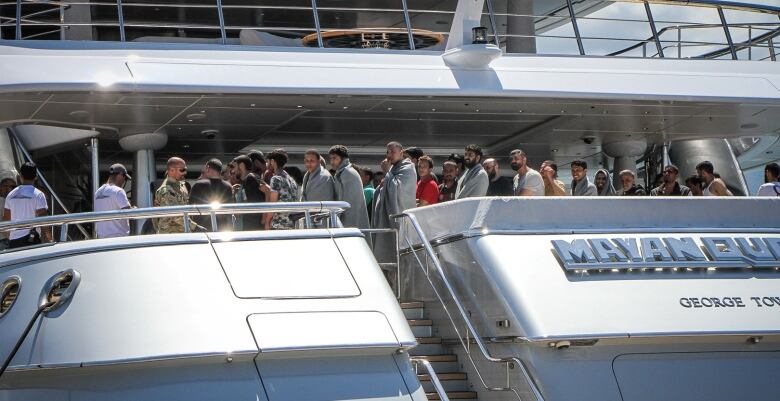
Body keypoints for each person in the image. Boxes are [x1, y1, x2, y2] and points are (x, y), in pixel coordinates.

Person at [373, 141, 416, 261]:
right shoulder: (392, 169)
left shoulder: (408, 168)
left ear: (401, 153)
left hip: (398, 221)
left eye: (393, 151)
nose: (389, 155)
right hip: (385, 219)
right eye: (387, 152)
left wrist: (387, 173)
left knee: (397, 256)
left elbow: (399, 190)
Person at [2, 162, 51, 248]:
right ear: (35, 176)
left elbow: (6, 219)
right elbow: (43, 221)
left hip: (14, 242)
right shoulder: (38, 195)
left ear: (20, 176)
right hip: (32, 240)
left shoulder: (11, 195)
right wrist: (48, 241)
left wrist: (9, 237)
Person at [154, 157, 200, 234]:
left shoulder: (182, 185)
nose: (185, 173)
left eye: (185, 169)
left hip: (183, 232)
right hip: (170, 236)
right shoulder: (166, 190)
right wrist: (194, 227)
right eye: (182, 170)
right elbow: (175, 214)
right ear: (171, 170)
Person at [330, 145, 370, 230]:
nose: (332, 161)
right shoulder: (342, 172)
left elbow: (349, 204)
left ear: (342, 158)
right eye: (331, 158)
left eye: (334, 158)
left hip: (350, 222)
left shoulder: (348, 173)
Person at [189, 158, 233, 231]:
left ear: (208, 168)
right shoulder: (228, 186)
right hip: (223, 229)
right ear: (220, 171)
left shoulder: (199, 185)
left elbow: (190, 205)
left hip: (202, 229)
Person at [261, 149, 299, 230]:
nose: (268, 164)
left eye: (269, 162)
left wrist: (267, 221)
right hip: (292, 223)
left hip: (279, 223)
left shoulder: (276, 179)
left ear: (273, 161)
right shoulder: (291, 179)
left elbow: (273, 203)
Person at [94, 163, 133, 238]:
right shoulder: (118, 191)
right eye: (124, 177)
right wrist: (134, 209)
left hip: (101, 240)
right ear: (120, 175)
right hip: (119, 239)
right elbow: (128, 213)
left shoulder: (97, 193)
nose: (124, 180)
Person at [234, 154, 265, 230]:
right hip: (248, 226)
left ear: (241, 166)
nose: (233, 170)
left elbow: (267, 191)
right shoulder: (246, 181)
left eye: (234, 167)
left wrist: (264, 220)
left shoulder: (251, 178)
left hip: (253, 227)